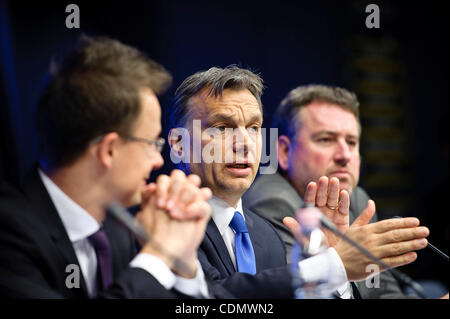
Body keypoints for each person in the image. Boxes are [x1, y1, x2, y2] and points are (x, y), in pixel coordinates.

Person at [167, 67, 429, 298]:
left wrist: (332, 277)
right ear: (179, 144)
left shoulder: (265, 234)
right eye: (223, 128)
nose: (244, 143)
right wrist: (333, 265)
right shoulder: (162, 224)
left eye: (254, 128)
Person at [0, 36, 230, 299]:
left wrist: (183, 266)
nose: (158, 161)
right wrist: (158, 255)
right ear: (109, 150)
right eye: (151, 143)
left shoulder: (118, 230)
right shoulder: (8, 232)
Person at [243, 84, 447, 298]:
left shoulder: (357, 199)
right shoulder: (272, 204)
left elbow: (382, 291)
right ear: (284, 151)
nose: (344, 155)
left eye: (351, 142)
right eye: (326, 139)